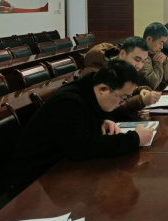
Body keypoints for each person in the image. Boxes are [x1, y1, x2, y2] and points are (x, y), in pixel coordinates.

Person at [8, 59, 155, 195]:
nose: (122, 102)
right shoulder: (68, 102)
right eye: (122, 97)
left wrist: (103, 120)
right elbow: (82, 147)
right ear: (103, 89)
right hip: (34, 182)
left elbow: (93, 118)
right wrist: (135, 139)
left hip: (62, 168)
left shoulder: (91, 89)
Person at [80, 36, 161, 111]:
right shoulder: (98, 72)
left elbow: (121, 90)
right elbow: (110, 108)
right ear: (122, 54)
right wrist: (141, 101)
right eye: (137, 59)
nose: (139, 66)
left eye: (143, 61)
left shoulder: (121, 70)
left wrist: (140, 90)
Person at [138, 22, 168, 89]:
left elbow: (165, 78)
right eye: (160, 43)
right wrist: (158, 63)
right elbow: (152, 84)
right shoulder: (141, 55)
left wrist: (165, 60)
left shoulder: (154, 54)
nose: (162, 47)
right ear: (149, 39)